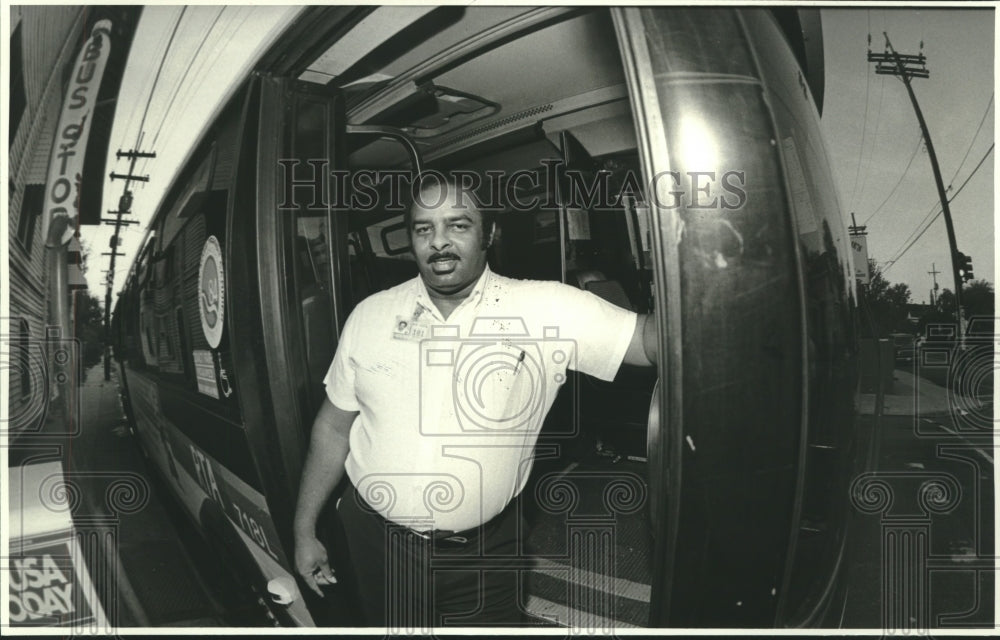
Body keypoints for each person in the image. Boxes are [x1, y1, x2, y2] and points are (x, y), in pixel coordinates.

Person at [293, 176, 657, 627]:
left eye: (458, 225)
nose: (439, 242)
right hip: (375, 541)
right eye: (423, 229)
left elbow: (647, 340)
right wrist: (304, 529)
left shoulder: (546, 308)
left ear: (489, 235)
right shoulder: (369, 315)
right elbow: (332, 428)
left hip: (485, 548)